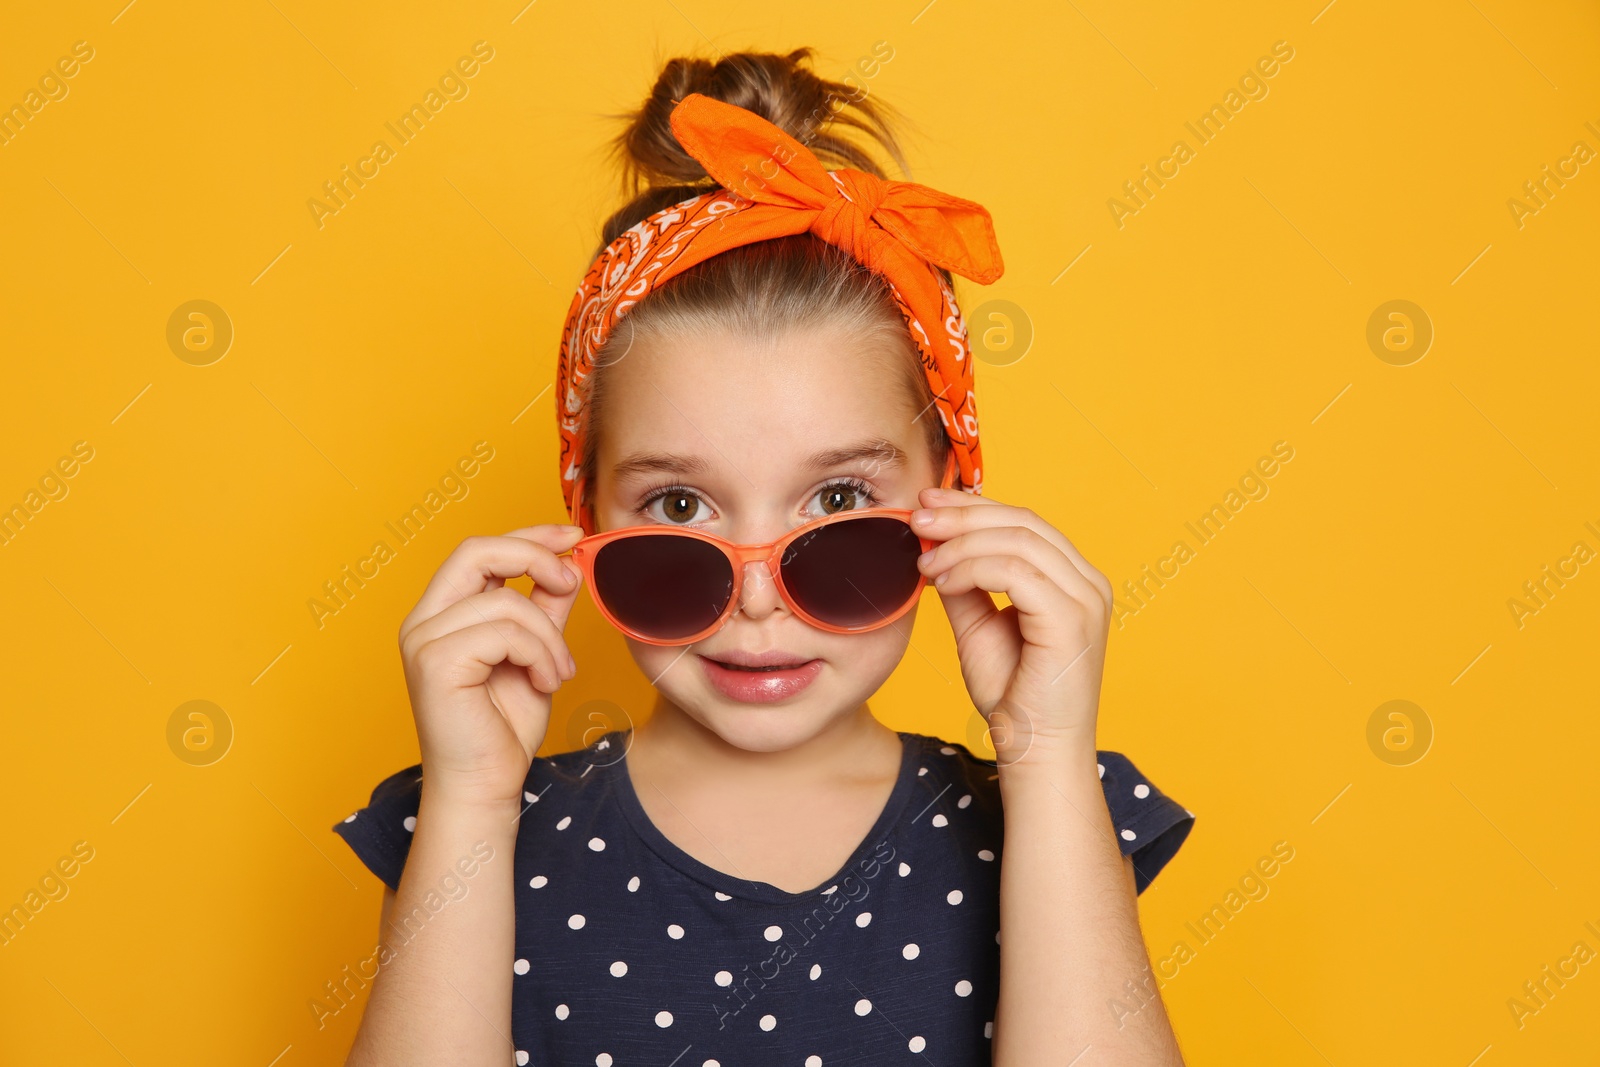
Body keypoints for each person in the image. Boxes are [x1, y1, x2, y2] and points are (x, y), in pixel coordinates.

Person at [330, 46, 1195, 1066]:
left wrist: (1047, 756)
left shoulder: (1047, 816)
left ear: (951, 503)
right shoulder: (479, 825)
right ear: (585, 517)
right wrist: (471, 796)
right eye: (680, 504)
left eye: (838, 502)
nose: (753, 595)